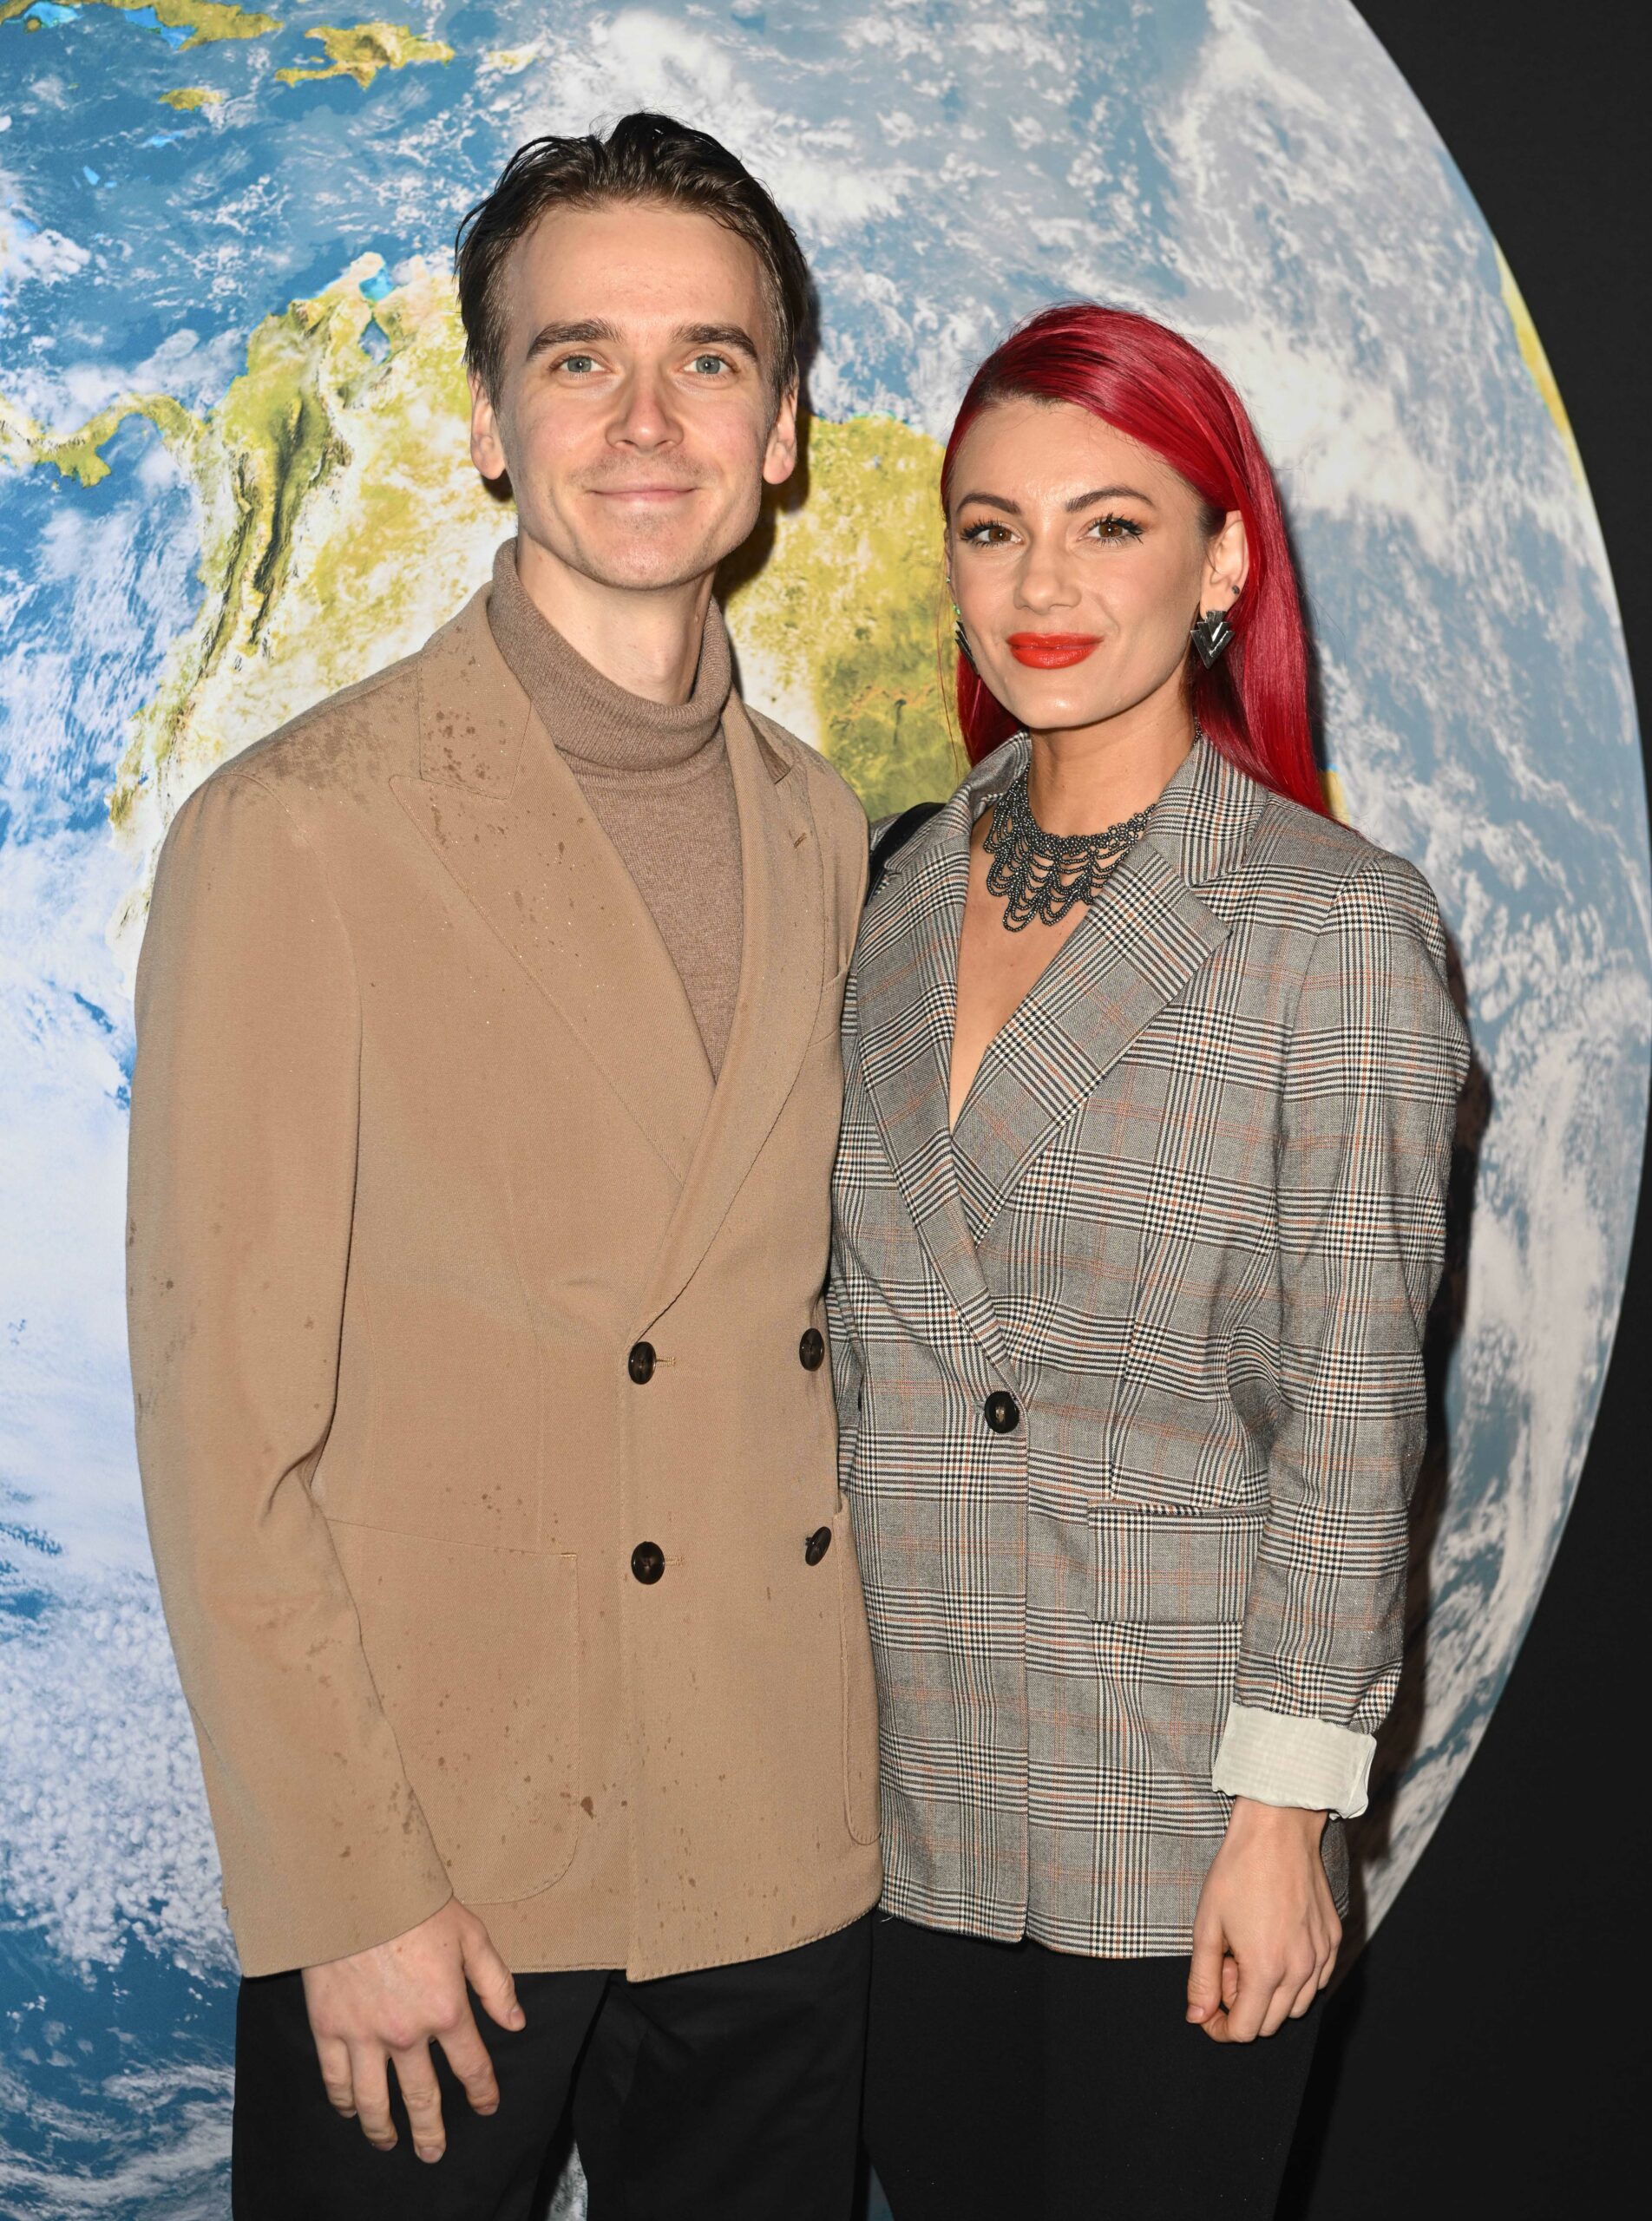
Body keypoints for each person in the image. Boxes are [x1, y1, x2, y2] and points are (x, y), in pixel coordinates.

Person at [126, 113, 879, 2221]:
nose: (646, 419)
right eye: (577, 360)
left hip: (776, 1842)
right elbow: (221, 1422)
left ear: (787, 424)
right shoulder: (304, 829)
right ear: (484, 418)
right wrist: (338, 1882)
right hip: (435, 1864)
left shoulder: (827, 836)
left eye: (709, 360)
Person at [829, 304, 1470, 2218]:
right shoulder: (886, 885)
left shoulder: (1332, 924)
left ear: (1222, 559)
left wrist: (1285, 1814)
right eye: (988, 525)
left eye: (1109, 525)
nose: (1038, 583)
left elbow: (1354, 1412)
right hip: (892, 1797)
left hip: (1174, 1802)